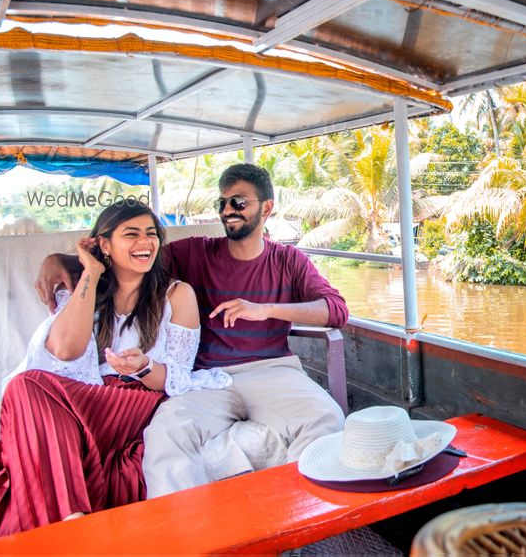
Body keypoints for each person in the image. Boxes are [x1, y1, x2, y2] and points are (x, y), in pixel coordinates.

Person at [33, 163, 348, 497]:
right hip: (207, 379)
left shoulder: (288, 261)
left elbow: (336, 310)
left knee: (326, 417)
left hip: (272, 371)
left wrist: (265, 310)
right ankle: (184, 538)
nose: (228, 210)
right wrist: (56, 260)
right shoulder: (196, 253)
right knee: (165, 433)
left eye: (239, 203)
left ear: (266, 208)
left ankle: (297, 521)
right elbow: (129, 258)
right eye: (223, 203)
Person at [0, 202, 229, 547]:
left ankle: (67, 528)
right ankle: (72, 521)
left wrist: (142, 367)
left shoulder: (176, 294)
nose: (145, 242)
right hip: (82, 400)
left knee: (26, 392)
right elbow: (65, 351)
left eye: (151, 234)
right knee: (21, 397)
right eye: (131, 234)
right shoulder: (84, 288)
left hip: (135, 399)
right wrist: (91, 272)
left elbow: (177, 380)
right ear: (104, 244)